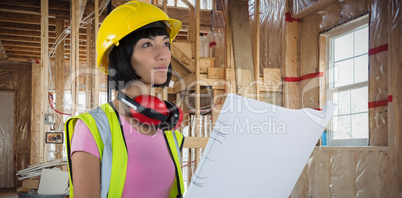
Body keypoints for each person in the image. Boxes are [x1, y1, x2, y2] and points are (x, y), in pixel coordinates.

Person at [64, 1, 185, 197]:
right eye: (147, 44)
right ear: (121, 56)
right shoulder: (93, 128)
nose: (163, 54)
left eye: (165, 44)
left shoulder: (167, 128)